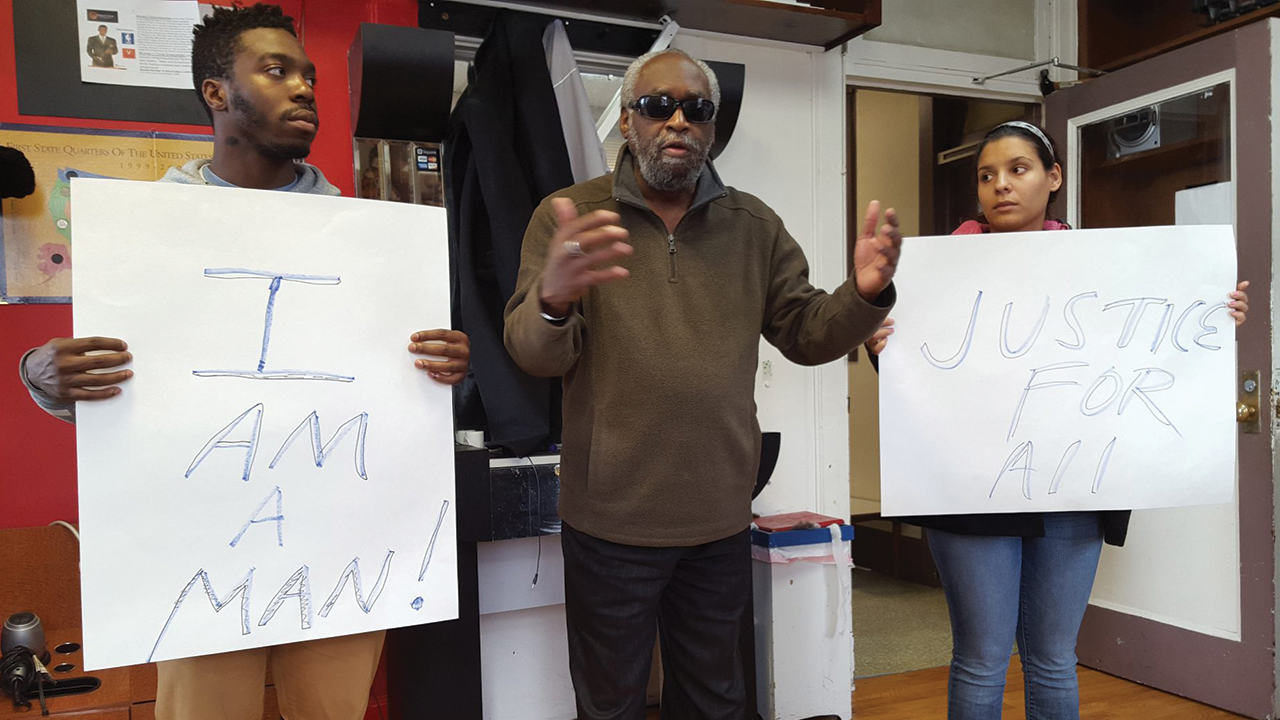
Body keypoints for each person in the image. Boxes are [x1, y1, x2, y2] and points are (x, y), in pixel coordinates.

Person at [19, 5, 470, 719]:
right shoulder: (144, 233)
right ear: (216, 92)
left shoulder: (368, 246)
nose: (304, 89)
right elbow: (112, 381)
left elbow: (393, 392)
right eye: (277, 70)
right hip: (201, 549)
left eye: (310, 75)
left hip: (337, 545)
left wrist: (443, 365)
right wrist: (42, 376)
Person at [504, 48, 902, 720]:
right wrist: (553, 301)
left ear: (713, 127)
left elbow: (806, 332)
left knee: (716, 702)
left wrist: (864, 293)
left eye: (698, 108)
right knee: (610, 703)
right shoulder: (571, 217)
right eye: (659, 106)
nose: (678, 120)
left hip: (717, 518)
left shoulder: (754, 228)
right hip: (610, 521)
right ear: (628, 121)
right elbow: (532, 353)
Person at [865, 120, 1250, 720]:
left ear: (1054, 178)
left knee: (1052, 658)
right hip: (969, 491)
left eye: (1018, 170)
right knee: (982, 658)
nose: (1001, 186)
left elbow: (1156, 338)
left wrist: (1212, 314)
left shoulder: (1103, 268)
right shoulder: (934, 277)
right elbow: (919, 384)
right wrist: (881, 349)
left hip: (1073, 487)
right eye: (987, 175)